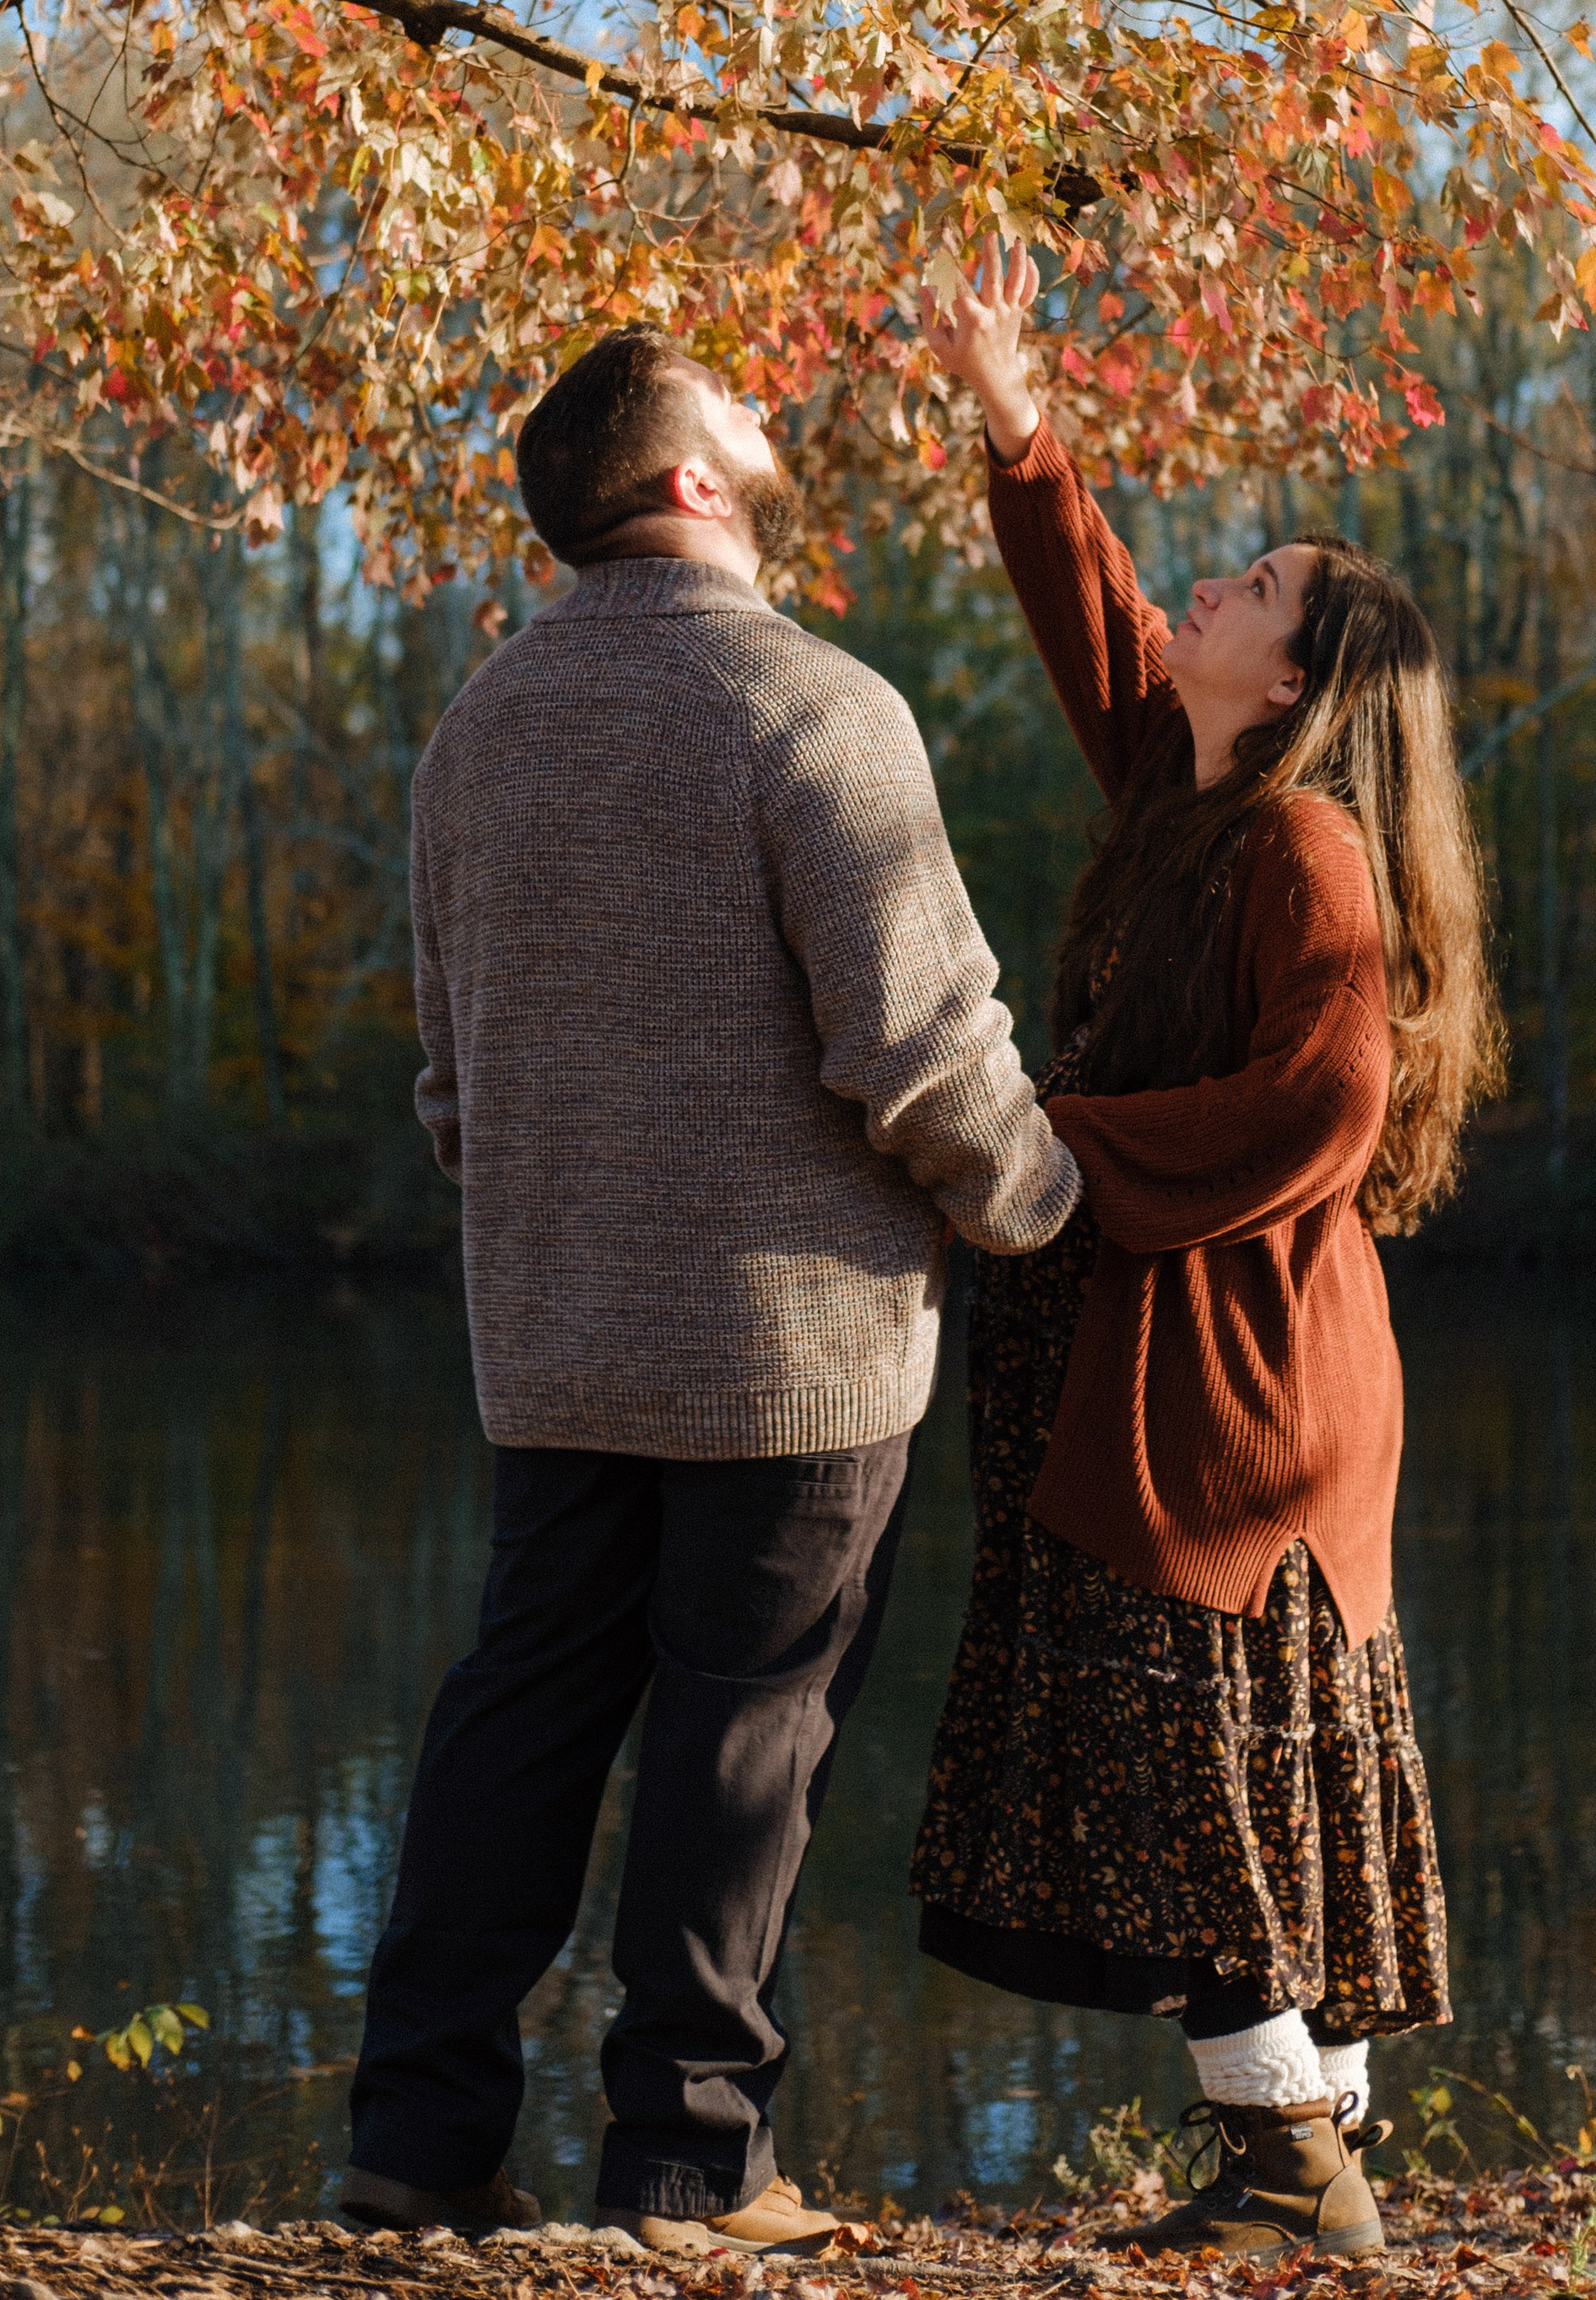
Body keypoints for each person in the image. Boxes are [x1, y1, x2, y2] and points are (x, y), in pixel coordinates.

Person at [344, 327, 1079, 2249]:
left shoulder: (474, 728)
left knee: (516, 1715)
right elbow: (923, 1045)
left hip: (558, 1336)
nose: (764, 411)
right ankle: (687, 2164)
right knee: (744, 1729)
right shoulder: (811, 705)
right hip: (795, 1353)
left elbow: (446, 1080)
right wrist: (1042, 1201)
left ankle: (415, 2151)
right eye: (729, 401)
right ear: (683, 478)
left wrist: (567, 1213)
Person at [910, 243, 1498, 2264]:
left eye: (1242, 589)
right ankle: (1300, 2155)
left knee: (1191, 1765)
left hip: (1236, 1392)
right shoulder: (1192, 793)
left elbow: (1314, 1109)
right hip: (1182, 1358)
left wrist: (1047, 1141)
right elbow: (1098, 630)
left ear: (1295, 675)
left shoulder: (1303, 853)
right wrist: (1013, 416)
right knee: (1219, 1767)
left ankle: (1290, 2174)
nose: (1201, 594)